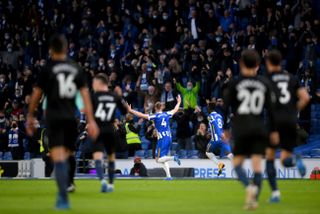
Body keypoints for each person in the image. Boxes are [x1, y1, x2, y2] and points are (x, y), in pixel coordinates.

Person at [26, 34, 99, 210]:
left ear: (51, 50)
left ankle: (63, 198)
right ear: (66, 48)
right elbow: (85, 96)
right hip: (69, 118)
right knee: (70, 154)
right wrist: (91, 120)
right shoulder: (75, 68)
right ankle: (70, 183)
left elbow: (37, 93)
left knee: (58, 157)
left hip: (53, 118)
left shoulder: (47, 68)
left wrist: (30, 115)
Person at [223, 49, 278, 210]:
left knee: (238, 164)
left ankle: (249, 187)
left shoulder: (235, 83)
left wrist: (226, 128)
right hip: (259, 128)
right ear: (257, 65)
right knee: (257, 167)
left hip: (241, 128)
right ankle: (253, 199)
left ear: (241, 63)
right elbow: (272, 110)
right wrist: (274, 131)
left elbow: (226, 106)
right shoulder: (264, 83)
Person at [265, 50, 310, 203]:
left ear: (269, 63)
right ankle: (296, 158)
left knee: (270, 159)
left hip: (275, 122)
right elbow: (305, 97)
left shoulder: (267, 79)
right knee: (284, 160)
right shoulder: (291, 78)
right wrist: (293, 112)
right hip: (291, 122)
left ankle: (276, 194)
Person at [127, 95, 182, 180]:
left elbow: (141, 115)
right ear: (161, 107)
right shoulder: (167, 114)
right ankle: (169, 176)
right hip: (169, 138)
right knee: (163, 159)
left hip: (162, 139)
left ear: (155, 108)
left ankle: (173, 157)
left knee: (158, 159)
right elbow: (175, 109)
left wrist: (131, 110)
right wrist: (178, 102)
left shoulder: (155, 116)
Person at [91, 73, 127, 193]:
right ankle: (111, 185)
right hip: (110, 130)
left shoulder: (94, 96)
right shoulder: (114, 96)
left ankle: (102, 181)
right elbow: (124, 111)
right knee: (111, 157)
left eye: (94, 83)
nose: (93, 85)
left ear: (100, 83)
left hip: (98, 129)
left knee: (98, 157)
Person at [205, 99, 233, 176]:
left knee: (208, 152)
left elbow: (215, 124)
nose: (207, 108)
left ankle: (219, 164)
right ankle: (240, 167)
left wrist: (219, 133)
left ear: (210, 109)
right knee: (229, 154)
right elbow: (221, 124)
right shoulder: (219, 116)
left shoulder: (210, 116)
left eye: (207, 107)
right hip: (223, 139)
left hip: (215, 139)